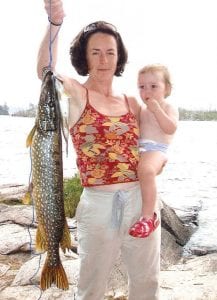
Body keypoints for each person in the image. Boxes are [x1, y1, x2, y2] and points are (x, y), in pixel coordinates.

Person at [38, 1, 161, 299]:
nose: (104, 59)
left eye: (110, 52)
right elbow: (45, 70)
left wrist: (156, 163)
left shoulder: (132, 101)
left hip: (139, 200)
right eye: (95, 52)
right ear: (84, 56)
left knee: (147, 282)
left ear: (119, 57)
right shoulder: (78, 94)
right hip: (98, 205)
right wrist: (55, 24)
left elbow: (156, 144)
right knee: (92, 287)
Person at [129, 64, 179, 238]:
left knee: (146, 170)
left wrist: (157, 110)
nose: (147, 91)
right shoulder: (141, 109)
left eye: (153, 86)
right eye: (142, 87)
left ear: (167, 88)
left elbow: (170, 128)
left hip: (157, 148)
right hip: (141, 149)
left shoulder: (167, 107)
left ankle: (149, 217)